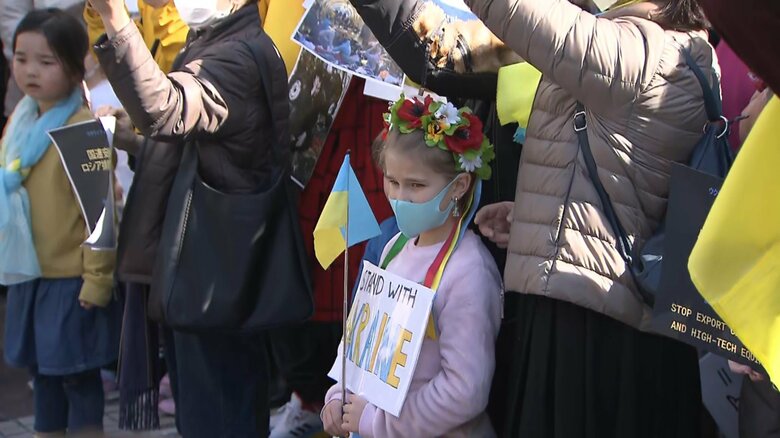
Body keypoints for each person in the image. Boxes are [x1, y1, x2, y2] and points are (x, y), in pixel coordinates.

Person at [457, 0, 714, 436]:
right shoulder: (674, 47)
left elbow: (516, 9)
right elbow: (631, 185)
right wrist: (534, 216)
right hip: (614, 314)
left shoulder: (641, 50)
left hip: (595, 330)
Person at [88, 0, 289, 435]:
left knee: (217, 418)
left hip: (215, 280)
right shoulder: (216, 41)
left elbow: (165, 108)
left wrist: (115, 18)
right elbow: (197, 148)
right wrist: (138, 143)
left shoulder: (236, 55)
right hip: (202, 274)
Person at [321, 95, 503, 437]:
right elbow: (363, 344)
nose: (400, 197)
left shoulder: (468, 272)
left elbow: (463, 391)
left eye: (416, 186)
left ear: (458, 187)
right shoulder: (393, 248)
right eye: (392, 182)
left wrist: (377, 423)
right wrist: (338, 397)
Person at [1, 9, 117, 436]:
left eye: (46, 62)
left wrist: (97, 281)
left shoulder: (82, 129)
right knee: (43, 378)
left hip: (69, 282)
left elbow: (101, 215)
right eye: (20, 58)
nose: (30, 71)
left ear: (73, 68)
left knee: (76, 377)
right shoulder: (20, 121)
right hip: (29, 276)